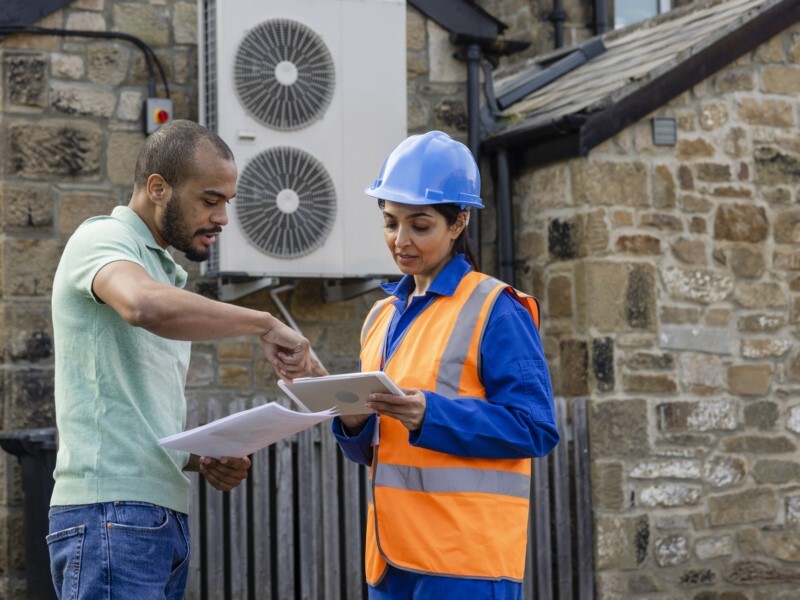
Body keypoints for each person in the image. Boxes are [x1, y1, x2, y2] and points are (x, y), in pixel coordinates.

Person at [47, 119, 323, 600]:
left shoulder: (163, 272)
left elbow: (126, 409)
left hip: (154, 517)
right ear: (158, 188)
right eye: (210, 200)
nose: (222, 218)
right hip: (109, 515)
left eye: (227, 203)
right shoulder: (102, 239)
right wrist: (261, 322)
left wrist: (198, 459)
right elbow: (141, 305)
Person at [332, 131, 559, 599]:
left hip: (465, 564)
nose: (401, 240)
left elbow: (536, 428)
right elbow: (376, 455)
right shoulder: (380, 317)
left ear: (458, 224)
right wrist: (353, 425)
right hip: (391, 562)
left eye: (420, 225)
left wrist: (429, 414)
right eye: (390, 223)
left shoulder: (497, 308)